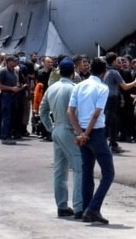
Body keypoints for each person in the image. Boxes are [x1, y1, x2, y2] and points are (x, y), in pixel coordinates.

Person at [68, 57, 114, 225]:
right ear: (104, 72)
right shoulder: (102, 87)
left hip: (83, 131)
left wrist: (80, 133)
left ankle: (87, 208)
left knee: (87, 172)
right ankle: (93, 208)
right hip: (95, 132)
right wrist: (86, 133)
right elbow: (96, 114)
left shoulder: (79, 86)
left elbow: (70, 112)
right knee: (108, 173)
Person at [40, 58, 83, 218]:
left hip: (57, 129)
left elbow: (42, 110)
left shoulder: (52, 88)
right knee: (79, 168)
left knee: (60, 170)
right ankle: (79, 207)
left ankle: (62, 205)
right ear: (73, 72)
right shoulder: (74, 88)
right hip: (69, 130)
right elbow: (78, 111)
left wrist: (50, 127)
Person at [0, 56, 25, 145]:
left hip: (13, 96)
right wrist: (11, 88)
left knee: (12, 117)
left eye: (16, 60)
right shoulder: (3, 71)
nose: (16, 62)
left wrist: (19, 88)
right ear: (8, 62)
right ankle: (4, 136)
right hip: (6, 96)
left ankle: (9, 135)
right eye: (14, 61)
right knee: (6, 117)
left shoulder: (15, 71)